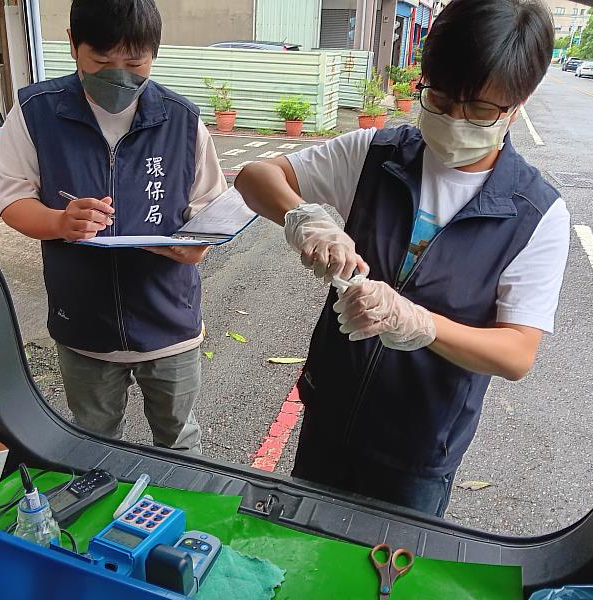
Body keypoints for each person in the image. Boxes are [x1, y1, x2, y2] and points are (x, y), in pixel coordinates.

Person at [235, 0, 569, 516]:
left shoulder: (534, 213)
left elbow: (516, 353)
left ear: (518, 103)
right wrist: (305, 217)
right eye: (439, 98)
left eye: (480, 109)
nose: (456, 120)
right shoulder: (376, 155)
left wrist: (420, 323)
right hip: (328, 418)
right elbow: (255, 177)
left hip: (417, 453)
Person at [0, 0, 227, 452]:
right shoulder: (37, 112)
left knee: (179, 442)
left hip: (169, 324)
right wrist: (60, 221)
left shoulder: (183, 120)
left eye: (135, 63)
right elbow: (13, 199)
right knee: (94, 444)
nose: (119, 75)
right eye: (101, 61)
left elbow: (211, 210)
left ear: (154, 54)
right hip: (84, 325)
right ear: (73, 46)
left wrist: (200, 246)